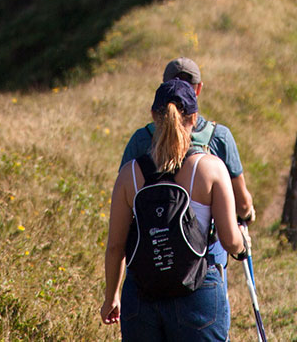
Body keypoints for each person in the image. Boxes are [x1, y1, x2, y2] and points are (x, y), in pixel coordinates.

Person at [102, 78, 249, 340]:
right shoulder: (211, 169)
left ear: (153, 117)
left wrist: (111, 296)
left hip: (142, 296)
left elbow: (116, 246)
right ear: (194, 118)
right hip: (198, 292)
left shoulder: (129, 175)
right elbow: (228, 239)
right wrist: (243, 245)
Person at [120, 58, 255, 226]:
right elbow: (242, 203)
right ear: (198, 89)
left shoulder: (141, 139)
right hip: (204, 247)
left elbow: (123, 199)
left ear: (163, 89)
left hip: (151, 245)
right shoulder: (219, 136)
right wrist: (247, 214)